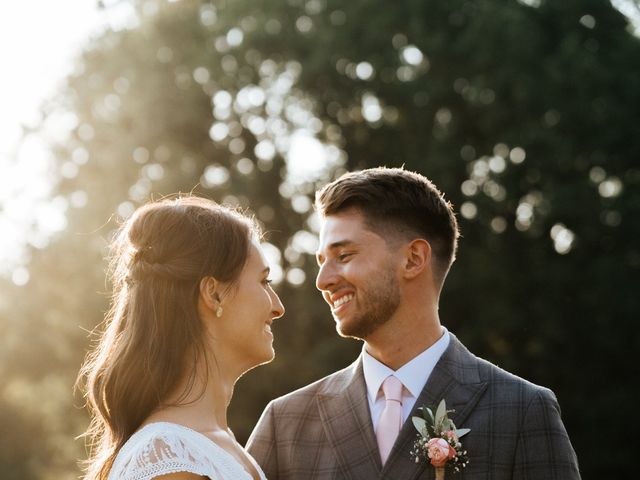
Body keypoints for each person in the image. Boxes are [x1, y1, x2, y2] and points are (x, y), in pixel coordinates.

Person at [247, 167, 581, 479]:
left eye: (344, 256)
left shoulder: (521, 411)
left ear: (413, 259)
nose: (322, 280)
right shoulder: (285, 423)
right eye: (322, 261)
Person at [77, 196, 284, 480]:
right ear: (213, 294)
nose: (278, 307)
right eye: (264, 282)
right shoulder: (170, 461)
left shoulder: (214, 446)